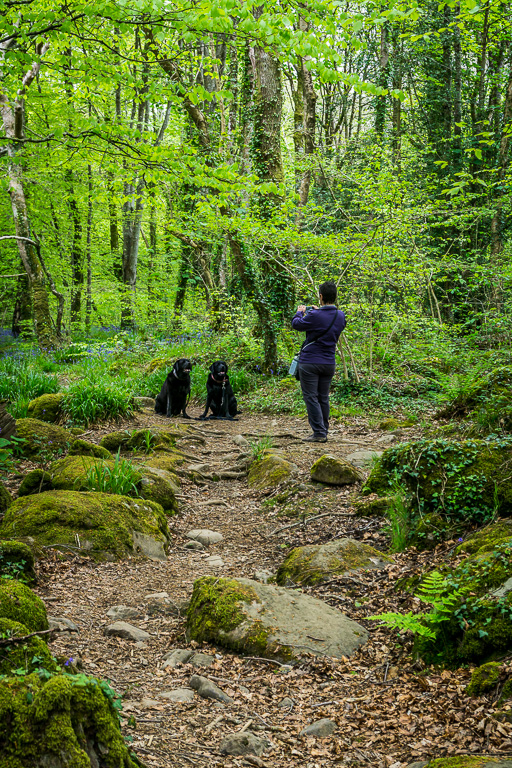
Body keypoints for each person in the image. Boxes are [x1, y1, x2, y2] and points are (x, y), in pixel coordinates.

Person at [292, 281, 346, 442]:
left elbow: (297, 324)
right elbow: (332, 325)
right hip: (329, 362)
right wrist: (318, 312)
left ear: (321, 296)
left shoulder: (314, 315)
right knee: (323, 397)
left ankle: (319, 433)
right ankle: (324, 430)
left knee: (311, 397)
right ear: (335, 297)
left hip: (310, 362)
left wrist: (299, 312)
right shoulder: (340, 315)